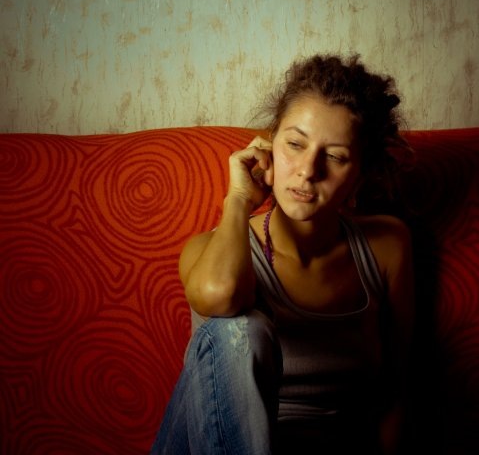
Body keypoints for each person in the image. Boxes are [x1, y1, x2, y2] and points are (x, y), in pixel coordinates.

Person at [150, 53, 415, 455]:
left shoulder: (387, 247)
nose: (308, 170)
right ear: (268, 146)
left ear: (360, 175)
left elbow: (396, 388)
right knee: (239, 330)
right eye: (294, 144)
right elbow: (220, 296)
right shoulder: (211, 250)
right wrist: (238, 200)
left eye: (335, 156)